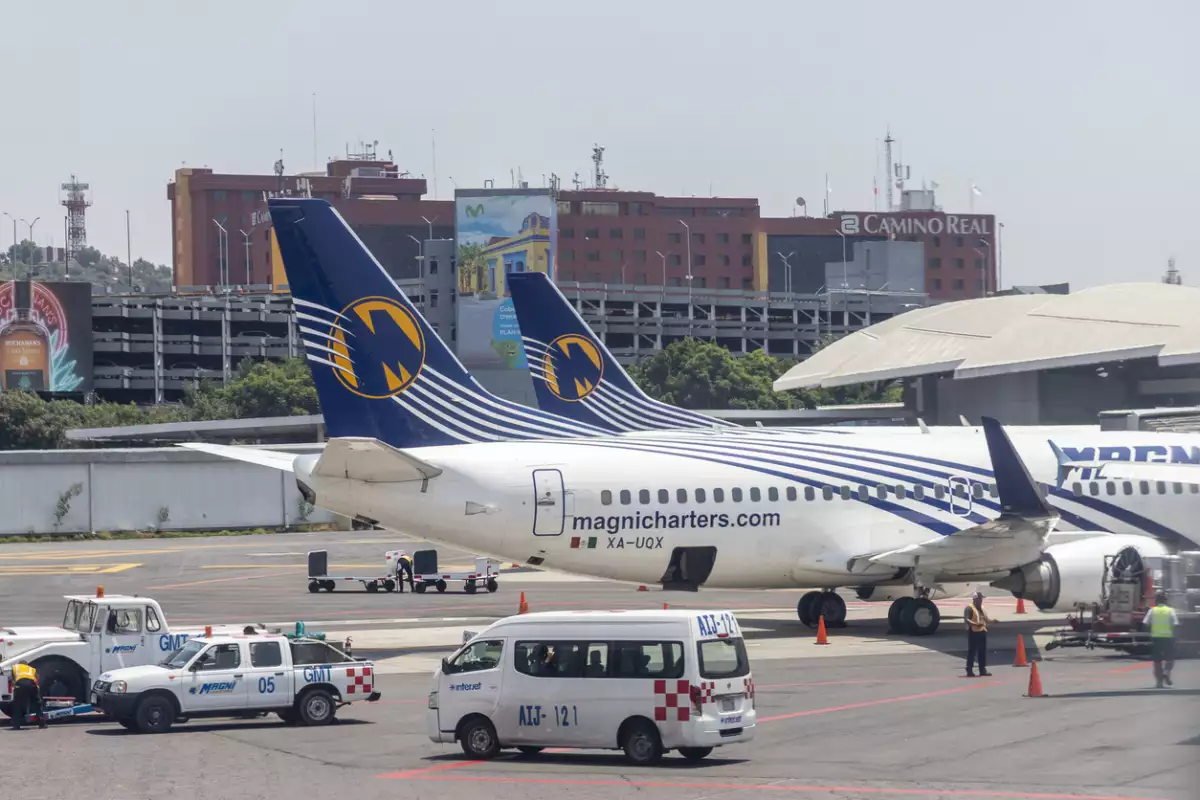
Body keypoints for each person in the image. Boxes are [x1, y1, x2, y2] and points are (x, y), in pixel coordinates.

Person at [1145, 591, 1179, 688]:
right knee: (1170, 659)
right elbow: (1176, 624)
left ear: (1156, 600)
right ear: (1166, 601)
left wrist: (1149, 633)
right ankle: (1166, 671)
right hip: (1168, 638)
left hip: (1156, 638)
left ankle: (1159, 682)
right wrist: (1175, 637)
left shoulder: (1152, 610)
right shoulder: (1170, 610)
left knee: (1157, 662)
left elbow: (1145, 624)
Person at [964, 591, 993, 677]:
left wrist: (993, 621)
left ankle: (982, 670)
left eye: (982, 599)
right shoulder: (969, 608)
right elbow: (967, 619)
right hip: (973, 632)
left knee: (982, 652)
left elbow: (986, 619)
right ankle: (969, 669)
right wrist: (975, 624)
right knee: (972, 652)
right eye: (980, 599)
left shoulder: (982, 608)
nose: (981, 601)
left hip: (982, 631)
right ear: (975, 600)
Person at [10, 663, 46, 730]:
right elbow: (37, 679)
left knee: (17, 705)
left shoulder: (15, 667)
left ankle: (16, 725)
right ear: (27, 664)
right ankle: (42, 723)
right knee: (37, 703)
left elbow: (12, 680)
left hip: (20, 685)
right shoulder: (32, 669)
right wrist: (37, 690)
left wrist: (15, 689)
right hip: (32, 685)